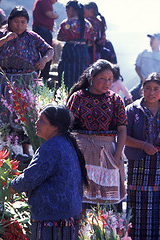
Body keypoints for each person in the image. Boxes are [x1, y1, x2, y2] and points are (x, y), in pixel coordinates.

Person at [10, 104, 88, 240]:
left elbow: (31, 178)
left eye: (42, 120)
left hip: (53, 219)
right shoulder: (66, 143)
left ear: (55, 126)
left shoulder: (52, 147)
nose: (36, 123)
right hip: (67, 217)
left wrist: (11, 186)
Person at [0, 5, 53, 155]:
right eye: (16, 21)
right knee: (3, 115)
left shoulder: (32, 37)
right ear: (9, 21)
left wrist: (44, 60)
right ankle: (3, 149)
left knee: (25, 116)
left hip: (27, 82)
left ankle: (25, 151)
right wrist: (5, 39)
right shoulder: (1, 34)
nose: (20, 25)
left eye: (23, 22)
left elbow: (50, 50)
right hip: (5, 80)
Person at [66, 59, 127, 211]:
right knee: (82, 197)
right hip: (82, 152)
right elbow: (68, 126)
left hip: (108, 153)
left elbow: (122, 129)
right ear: (92, 77)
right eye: (103, 78)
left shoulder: (115, 100)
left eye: (110, 79)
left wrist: (117, 156)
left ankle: (106, 233)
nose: (107, 83)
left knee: (108, 202)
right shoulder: (78, 97)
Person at [125, 73, 160, 240]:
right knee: (137, 208)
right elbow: (124, 138)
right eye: (148, 88)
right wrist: (143, 145)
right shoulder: (132, 110)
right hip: (138, 164)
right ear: (142, 89)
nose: (151, 92)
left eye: (156, 89)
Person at [57, 0, 92, 89]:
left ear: (71, 9)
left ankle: (67, 96)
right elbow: (90, 39)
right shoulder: (87, 24)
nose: (67, 13)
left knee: (67, 75)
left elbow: (59, 37)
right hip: (83, 52)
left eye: (67, 10)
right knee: (81, 75)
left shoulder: (66, 23)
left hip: (70, 50)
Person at [131, 33, 160, 101]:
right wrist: (143, 79)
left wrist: (155, 80)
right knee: (129, 96)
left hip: (156, 86)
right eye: (150, 39)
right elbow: (137, 67)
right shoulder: (144, 52)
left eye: (153, 39)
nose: (151, 40)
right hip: (142, 83)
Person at [32, 0, 59, 83]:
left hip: (42, 30)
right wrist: (56, 15)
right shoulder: (45, 1)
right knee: (45, 53)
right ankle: (42, 79)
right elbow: (49, 14)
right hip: (42, 31)